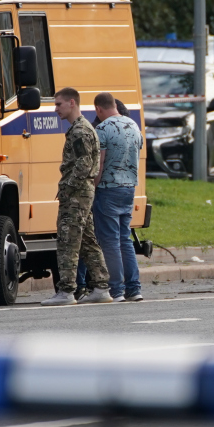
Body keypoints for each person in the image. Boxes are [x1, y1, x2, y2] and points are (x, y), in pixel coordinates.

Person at [41, 87, 112, 306]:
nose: (56, 109)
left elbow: (84, 164)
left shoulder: (80, 131)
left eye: (59, 104)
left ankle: (66, 291)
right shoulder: (81, 128)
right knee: (87, 241)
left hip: (76, 194)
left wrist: (68, 187)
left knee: (68, 240)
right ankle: (101, 287)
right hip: (82, 193)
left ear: (72, 103)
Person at [87, 92, 145, 302]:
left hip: (108, 188)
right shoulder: (133, 125)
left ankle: (116, 290)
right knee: (124, 239)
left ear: (98, 109)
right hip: (129, 188)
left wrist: (92, 186)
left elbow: (99, 164)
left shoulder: (102, 129)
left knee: (109, 241)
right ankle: (134, 288)